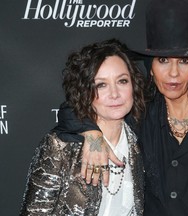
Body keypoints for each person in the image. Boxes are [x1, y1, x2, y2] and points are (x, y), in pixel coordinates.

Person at [56, 0, 188, 215]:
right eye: (163, 60)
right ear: (151, 67)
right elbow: (71, 109)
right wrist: (92, 133)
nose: (173, 73)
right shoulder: (138, 113)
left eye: (184, 61)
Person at [20, 39, 145, 215]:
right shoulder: (60, 147)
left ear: (133, 84)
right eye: (101, 85)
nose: (115, 94)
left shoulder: (141, 141)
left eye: (122, 81)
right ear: (85, 92)